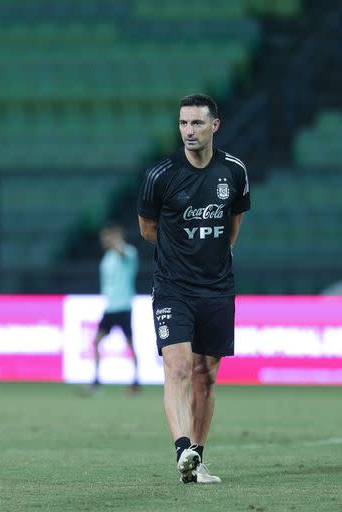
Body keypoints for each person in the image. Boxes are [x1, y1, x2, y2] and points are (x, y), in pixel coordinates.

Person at [137, 94, 250, 484]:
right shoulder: (160, 176)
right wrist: (181, 255)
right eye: (183, 123)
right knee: (179, 367)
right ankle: (182, 447)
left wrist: (212, 255)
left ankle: (196, 459)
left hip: (217, 289)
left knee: (207, 375)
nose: (189, 131)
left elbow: (233, 222)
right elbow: (148, 230)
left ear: (214, 125)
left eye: (197, 123)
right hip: (173, 288)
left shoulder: (234, 171)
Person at [91, 223, 140, 393]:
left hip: (123, 306)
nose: (103, 241)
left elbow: (123, 253)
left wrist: (116, 240)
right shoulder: (108, 256)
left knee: (130, 344)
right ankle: (96, 381)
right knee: (96, 342)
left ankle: (135, 381)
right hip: (110, 307)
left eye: (106, 237)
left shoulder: (128, 251)